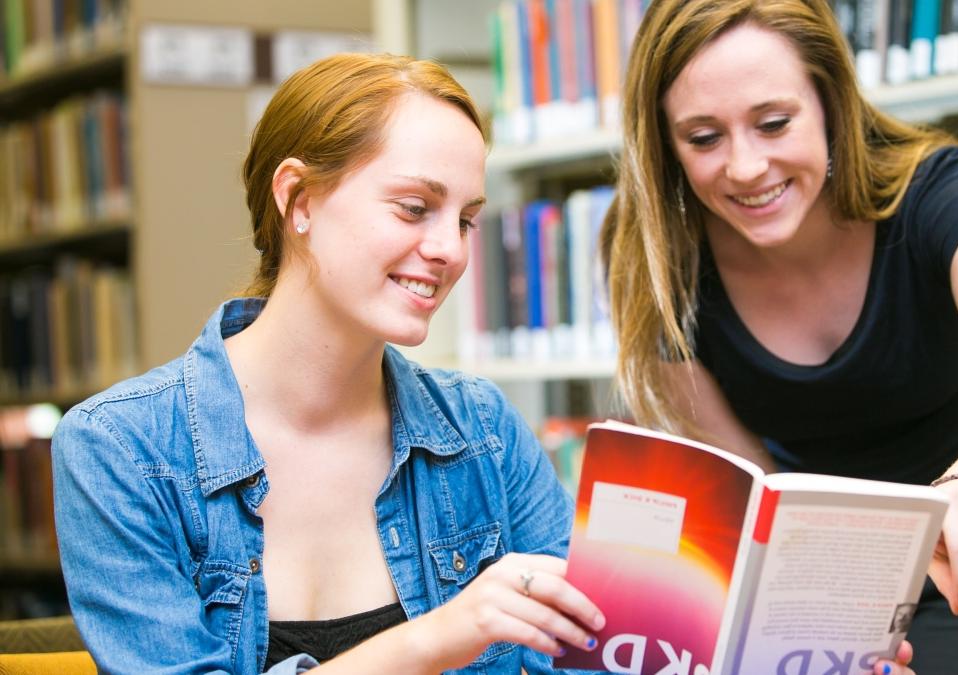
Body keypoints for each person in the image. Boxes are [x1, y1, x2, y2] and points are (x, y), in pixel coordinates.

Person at [50, 53, 609, 675]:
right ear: (299, 199)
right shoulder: (120, 449)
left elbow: (593, 653)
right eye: (414, 207)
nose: (450, 250)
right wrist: (438, 638)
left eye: (467, 220)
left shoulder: (484, 431)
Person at [601, 2, 958, 675]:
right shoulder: (657, 255)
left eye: (774, 124)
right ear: (663, 142)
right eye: (703, 138)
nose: (745, 166)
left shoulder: (945, 197)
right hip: (814, 572)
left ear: (830, 100)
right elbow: (748, 487)